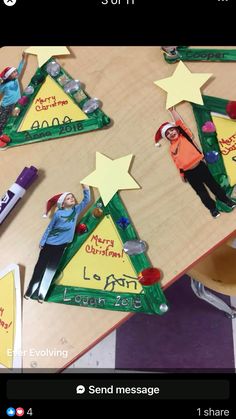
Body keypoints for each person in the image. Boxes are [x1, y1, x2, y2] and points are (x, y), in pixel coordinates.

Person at [155, 107, 236, 218]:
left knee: (213, 185)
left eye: (172, 130)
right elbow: (177, 163)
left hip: (200, 167)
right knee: (201, 193)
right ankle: (212, 209)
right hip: (189, 174)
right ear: (167, 138)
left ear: (177, 130)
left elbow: (179, 122)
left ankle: (225, 200)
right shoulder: (171, 149)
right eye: (167, 133)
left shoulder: (185, 136)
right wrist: (182, 174)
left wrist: (172, 111)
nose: (171, 133)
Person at [24, 184, 91, 303]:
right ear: (63, 204)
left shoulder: (76, 210)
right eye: (68, 198)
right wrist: (42, 241)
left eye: (72, 197)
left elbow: (87, 200)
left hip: (61, 246)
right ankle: (30, 291)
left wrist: (85, 188)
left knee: (51, 270)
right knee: (40, 267)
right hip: (49, 244)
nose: (72, 198)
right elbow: (50, 228)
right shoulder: (58, 214)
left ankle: (41, 294)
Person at [0, 52, 27, 136]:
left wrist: (23, 59)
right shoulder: (5, 85)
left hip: (16, 103)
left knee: (14, 117)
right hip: (6, 105)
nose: (16, 73)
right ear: (9, 76)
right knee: (3, 120)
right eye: (13, 72)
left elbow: (20, 68)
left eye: (15, 71)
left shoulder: (16, 79)